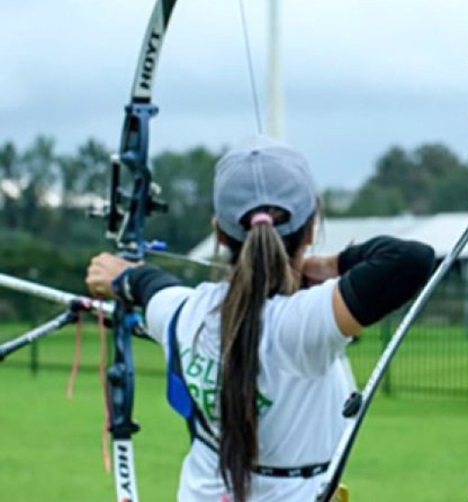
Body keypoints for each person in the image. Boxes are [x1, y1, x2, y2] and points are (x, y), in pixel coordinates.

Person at [85, 136, 435, 502]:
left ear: (220, 233)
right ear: (311, 228)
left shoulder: (186, 314)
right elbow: (411, 260)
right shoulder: (303, 324)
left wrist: (123, 277)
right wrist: (331, 265)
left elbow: (151, 286)